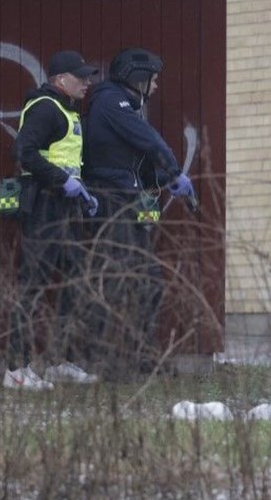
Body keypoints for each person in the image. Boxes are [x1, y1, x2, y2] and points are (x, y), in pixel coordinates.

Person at [82, 47, 195, 379]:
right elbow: (149, 141)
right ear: (137, 78)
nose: (156, 86)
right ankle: (107, 361)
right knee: (119, 281)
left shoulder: (122, 106)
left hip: (125, 199)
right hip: (112, 202)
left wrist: (163, 180)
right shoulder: (110, 102)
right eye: (153, 80)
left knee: (147, 281)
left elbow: (135, 164)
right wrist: (174, 171)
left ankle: (142, 356)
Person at [5, 50, 101, 390]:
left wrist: (82, 192)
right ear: (60, 79)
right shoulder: (46, 108)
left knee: (73, 284)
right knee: (31, 286)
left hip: (64, 209)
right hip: (44, 209)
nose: (87, 82)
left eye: (88, 76)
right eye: (81, 77)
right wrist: (63, 181)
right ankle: (16, 370)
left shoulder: (66, 110)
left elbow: (66, 161)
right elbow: (23, 152)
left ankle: (61, 361)